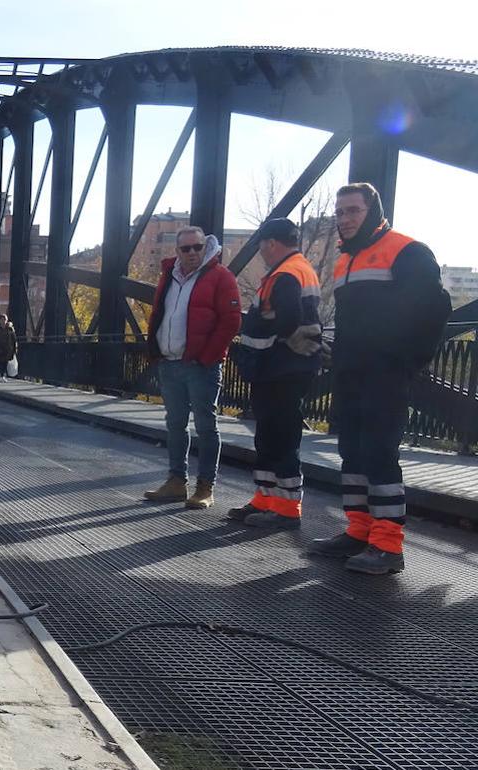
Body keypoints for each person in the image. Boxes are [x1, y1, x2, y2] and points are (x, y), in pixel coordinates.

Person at [308, 183, 451, 575]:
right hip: (352, 374)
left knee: (379, 455)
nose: (344, 219)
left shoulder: (406, 250)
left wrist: (405, 362)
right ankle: (359, 532)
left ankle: (388, 546)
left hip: (385, 375)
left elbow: (434, 309)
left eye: (352, 211)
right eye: (339, 212)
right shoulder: (345, 261)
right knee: (352, 453)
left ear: (373, 211)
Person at [228, 218, 323, 529]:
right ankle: (266, 498)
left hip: (281, 367)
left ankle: (285, 507)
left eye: (261, 246)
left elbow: (287, 321)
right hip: (281, 368)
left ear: (270, 243)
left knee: (280, 436)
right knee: (269, 435)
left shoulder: (286, 274)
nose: (261, 253)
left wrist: (264, 323)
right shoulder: (295, 268)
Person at [143, 227, 241, 510]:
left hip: (201, 365)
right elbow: (161, 313)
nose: (192, 253)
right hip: (170, 362)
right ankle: (176, 481)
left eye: (197, 247)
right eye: (185, 249)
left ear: (205, 246)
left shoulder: (221, 276)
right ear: (177, 251)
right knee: (175, 424)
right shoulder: (169, 275)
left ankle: (205, 486)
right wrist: (157, 351)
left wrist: (207, 356)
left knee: (206, 425)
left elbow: (231, 320)